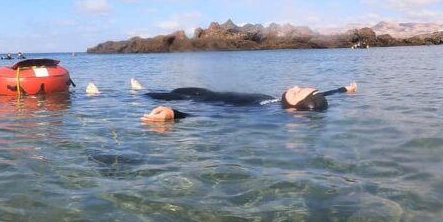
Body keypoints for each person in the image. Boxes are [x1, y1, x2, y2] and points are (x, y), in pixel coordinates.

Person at [141, 82, 358, 122]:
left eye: (297, 91)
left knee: (153, 95)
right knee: (175, 89)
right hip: (206, 92)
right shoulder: (278, 104)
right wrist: (343, 89)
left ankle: (135, 92)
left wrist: (174, 115)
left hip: (199, 101)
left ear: (295, 110)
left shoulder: (262, 112)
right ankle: (143, 89)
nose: (293, 87)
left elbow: (218, 116)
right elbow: (323, 96)